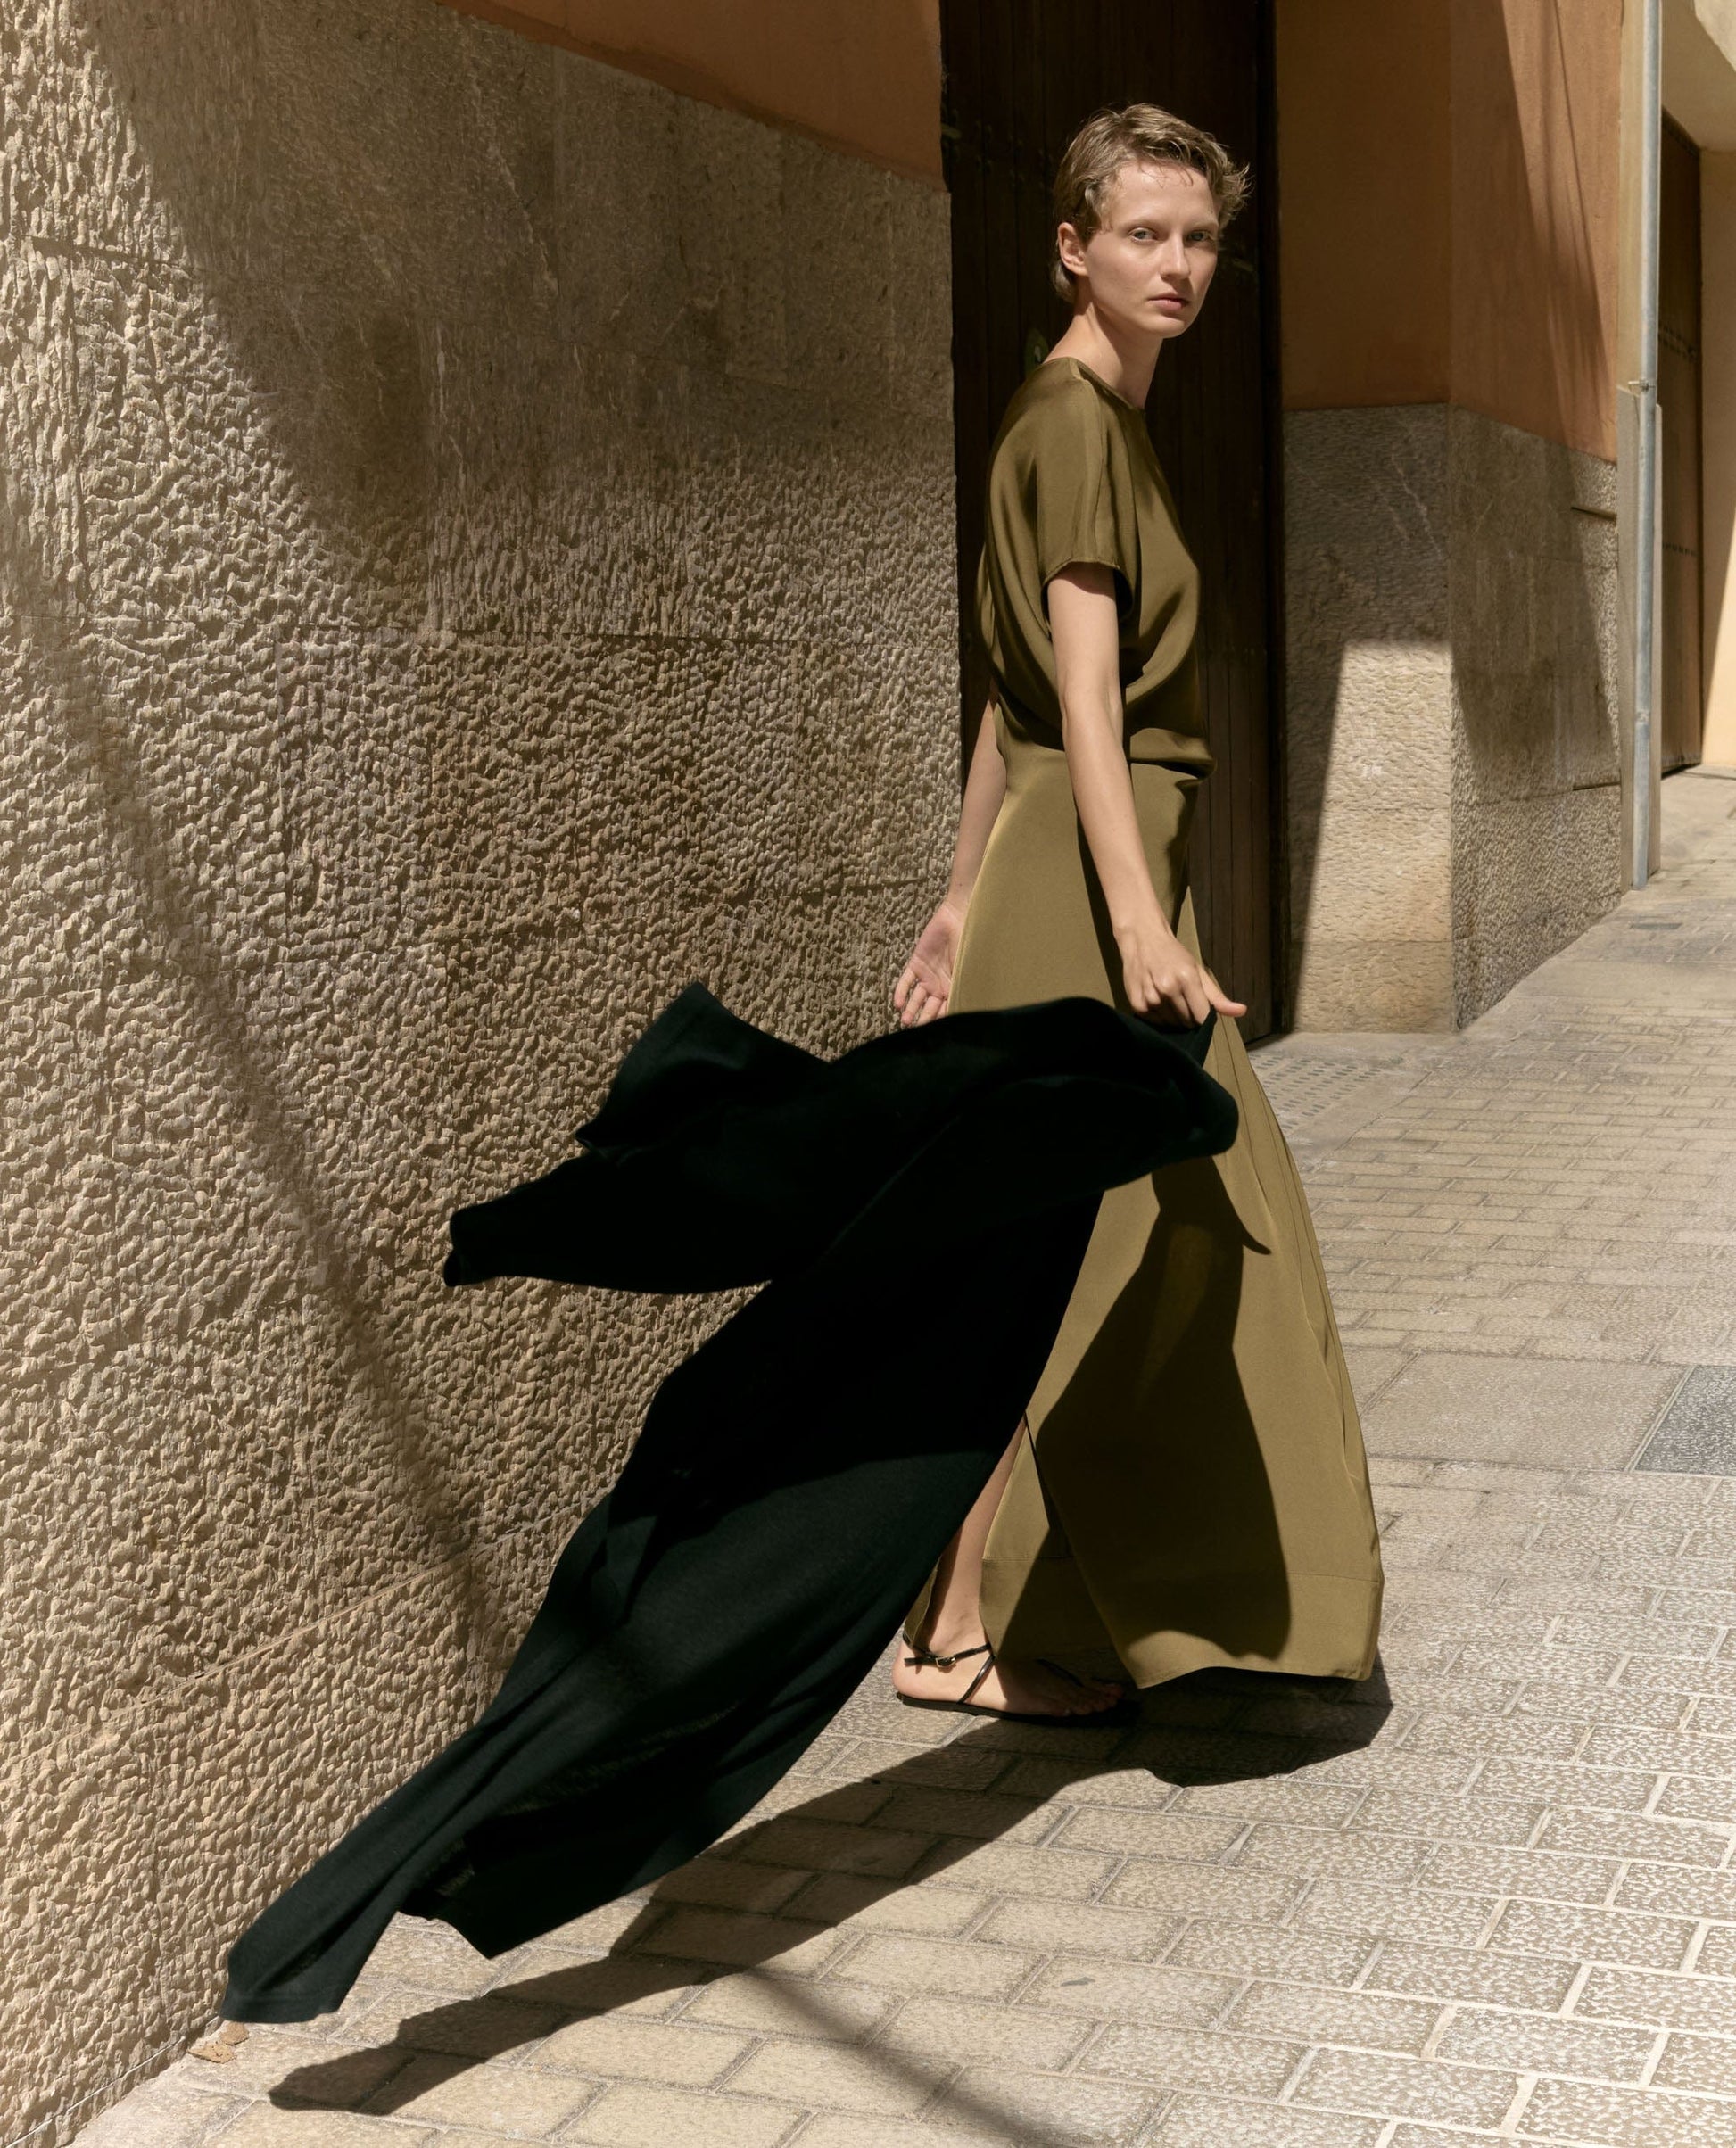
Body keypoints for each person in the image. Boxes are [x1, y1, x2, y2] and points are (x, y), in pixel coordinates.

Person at [892, 104, 1383, 1722]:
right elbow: (1082, 713)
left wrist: (958, 897)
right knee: (1125, 1250)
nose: (1176, 267)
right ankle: (980, 1629)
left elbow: (1003, 711)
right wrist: (1136, 925)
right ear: (1070, 246)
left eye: (1197, 240)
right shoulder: (1081, 428)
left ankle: (967, 1616)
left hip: (1063, 879)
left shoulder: (1080, 418)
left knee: (1052, 1252)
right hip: (1095, 901)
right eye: (1143, 236)